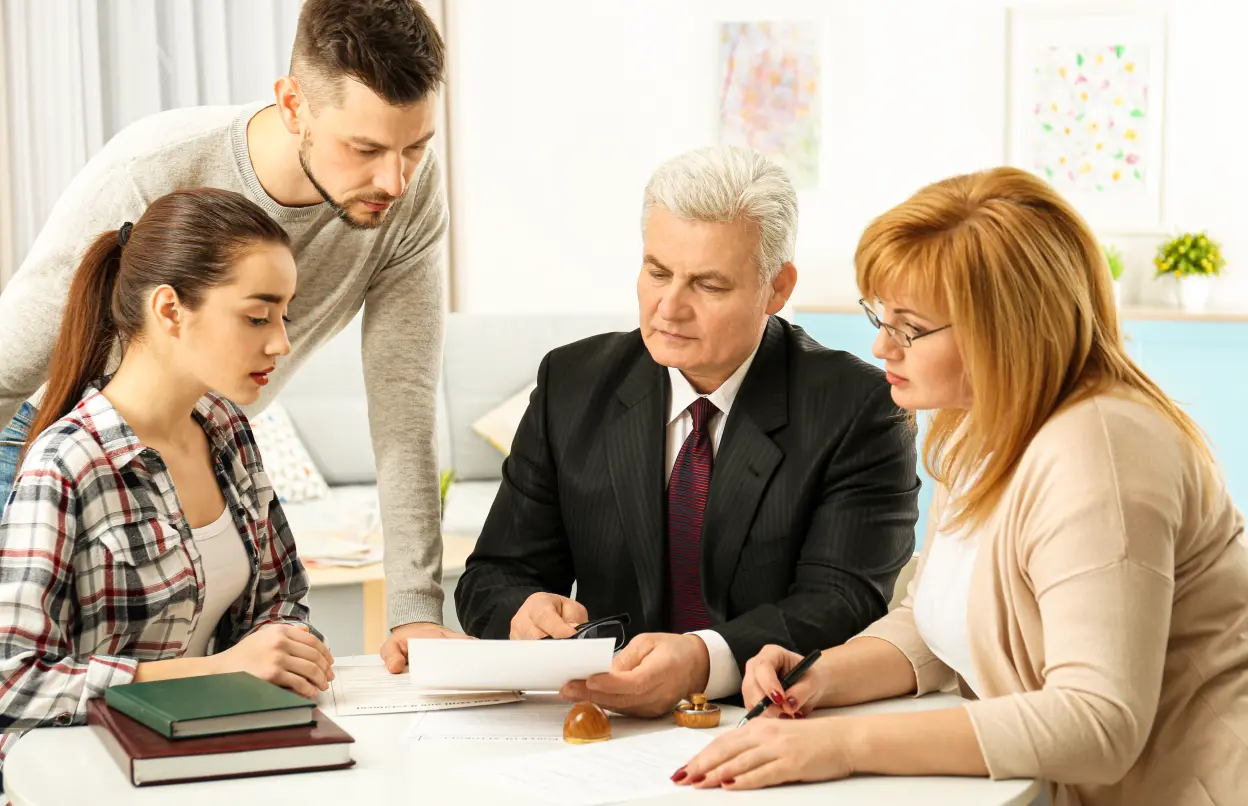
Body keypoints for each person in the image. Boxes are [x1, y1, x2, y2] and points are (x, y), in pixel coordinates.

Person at [674, 167, 1248, 804]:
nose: (881, 345)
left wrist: (840, 747)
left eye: (909, 327)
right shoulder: (977, 424)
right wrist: (822, 675)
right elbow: (940, 616)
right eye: (880, 315)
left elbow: (1097, 721)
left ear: (1007, 331)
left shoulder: (1098, 453)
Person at [0, 0, 462, 669]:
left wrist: (416, 614)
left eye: (416, 147)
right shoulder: (153, 170)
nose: (394, 180)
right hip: (49, 438)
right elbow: (7, 371)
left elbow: (404, 407)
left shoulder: (411, 198)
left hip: (203, 440)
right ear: (293, 103)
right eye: (364, 149)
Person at [455, 145, 920, 717]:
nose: (668, 308)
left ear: (777, 288)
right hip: (601, 723)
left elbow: (843, 600)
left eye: (708, 285)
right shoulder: (570, 383)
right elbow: (492, 577)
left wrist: (703, 659)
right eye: (657, 272)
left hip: (768, 721)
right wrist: (523, 611)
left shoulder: (859, 407)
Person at [0, 189, 335, 779]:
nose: (281, 341)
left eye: (286, 316)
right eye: (258, 316)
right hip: (93, 767)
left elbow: (281, 599)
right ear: (170, 309)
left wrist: (287, 646)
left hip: (213, 742)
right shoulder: (67, 463)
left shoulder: (227, 428)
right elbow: (13, 683)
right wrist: (225, 669)